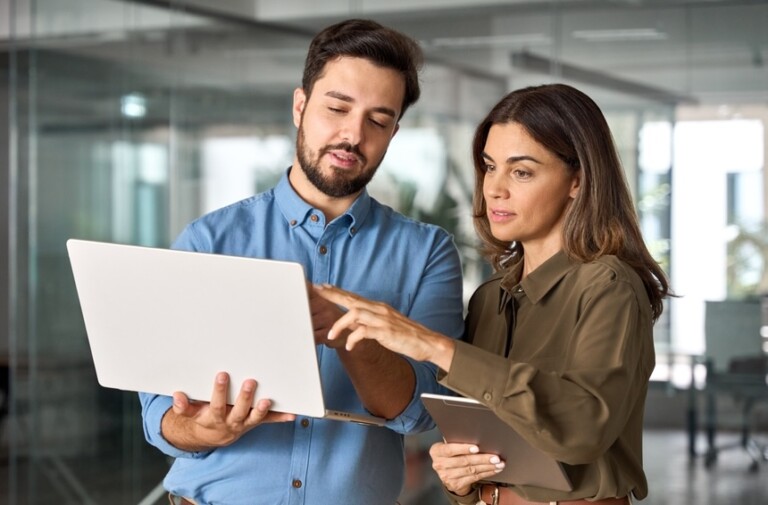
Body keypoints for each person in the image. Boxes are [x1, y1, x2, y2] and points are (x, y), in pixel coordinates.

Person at [138, 19, 465, 505]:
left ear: (394, 133)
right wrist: (202, 429)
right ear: (300, 106)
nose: (352, 135)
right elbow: (158, 415)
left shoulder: (427, 253)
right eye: (337, 108)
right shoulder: (209, 240)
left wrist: (348, 329)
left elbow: (422, 412)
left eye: (378, 120)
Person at [316, 83, 671, 505]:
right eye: (489, 167)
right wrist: (459, 477)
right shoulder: (489, 299)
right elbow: (487, 445)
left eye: (521, 172)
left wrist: (434, 346)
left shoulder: (609, 286)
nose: (494, 188)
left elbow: (582, 429)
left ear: (577, 180)